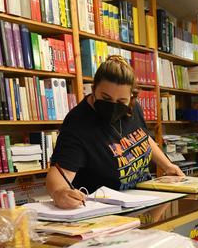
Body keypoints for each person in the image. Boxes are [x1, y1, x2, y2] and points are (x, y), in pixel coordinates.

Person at [47, 55, 184, 209]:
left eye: (121, 101)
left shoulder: (133, 108)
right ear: (93, 90)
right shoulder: (78, 123)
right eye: (106, 98)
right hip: (105, 208)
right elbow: (59, 174)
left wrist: (167, 165)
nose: (113, 106)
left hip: (143, 198)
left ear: (131, 97)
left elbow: (142, 138)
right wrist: (59, 193)